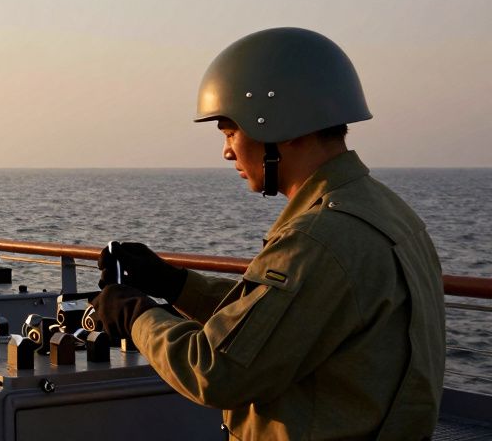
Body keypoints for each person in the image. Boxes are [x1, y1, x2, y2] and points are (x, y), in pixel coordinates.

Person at [90, 27, 445, 439]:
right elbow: (286, 320)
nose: (227, 151)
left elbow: (216, 372)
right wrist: (176, 284)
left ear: (283, 127)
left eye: (230, 131)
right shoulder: (387, 211)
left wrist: (135, 315)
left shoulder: (319, 239)